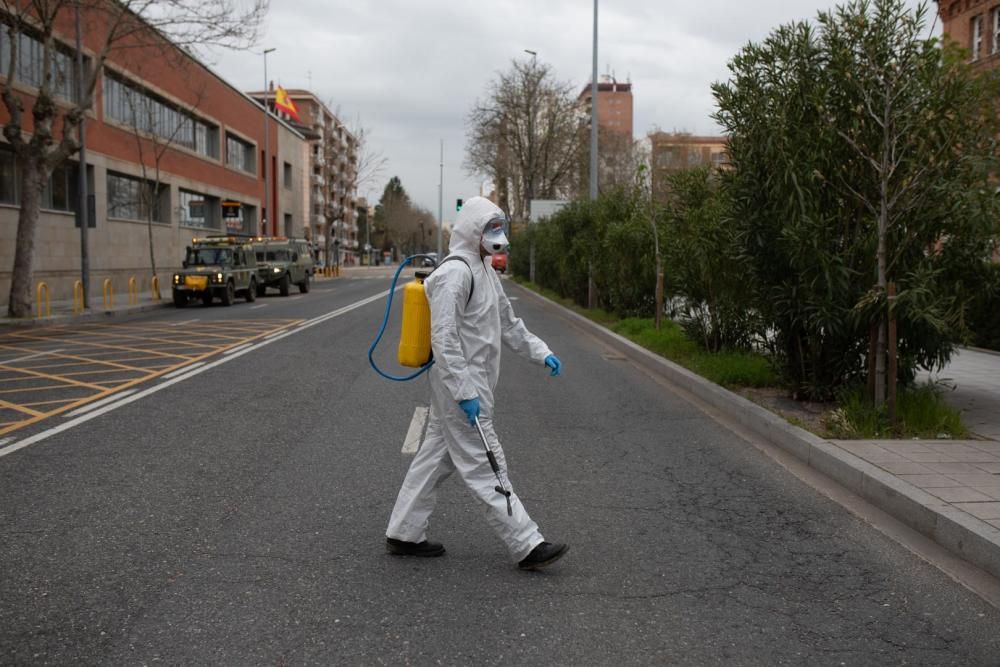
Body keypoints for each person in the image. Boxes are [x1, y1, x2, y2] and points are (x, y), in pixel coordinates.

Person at [385, 196, 568, 571]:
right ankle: (527, 543)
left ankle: (403, 532)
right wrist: (465, 393)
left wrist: (540, 351)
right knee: (487, 462)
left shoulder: (484, 269)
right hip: (461, 384)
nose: (497, 235)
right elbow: (445, 339)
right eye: (490, 228)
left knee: (436, 455)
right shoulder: (455, 274)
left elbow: (509, 323)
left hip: (473, 382)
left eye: (499, 227)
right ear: (472, 229)